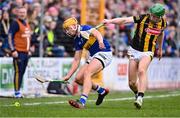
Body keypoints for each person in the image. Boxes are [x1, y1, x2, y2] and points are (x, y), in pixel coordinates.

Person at [103, 3, 167, 109]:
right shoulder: (142, 18)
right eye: (151, 15)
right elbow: (125, 20)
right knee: (132, 83)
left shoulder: (163, 23)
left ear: (160, 17)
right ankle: (137, 93)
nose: (152, 17)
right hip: (134, 50)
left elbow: (161, 33)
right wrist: (109, 21)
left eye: (155, 16)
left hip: (148, 51)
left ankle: (140, 97)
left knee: (142, 70)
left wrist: (159, 48)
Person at [62, 17, 112, 108]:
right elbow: (77, 60)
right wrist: (68, 75)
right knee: (78, 79)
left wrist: (100, 42)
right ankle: (101, 91)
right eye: (66, 30)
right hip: (93, 56)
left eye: (68, 29)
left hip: (104, 52)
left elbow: (97, 33)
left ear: (74, 26)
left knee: (87, 73)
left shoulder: (85, 29)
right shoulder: (77, 40)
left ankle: (82, 101)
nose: (67, 32)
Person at [8, 6, 31, 98]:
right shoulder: (15, 23)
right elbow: (10, 37)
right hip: (18, 52)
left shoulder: (26, 23)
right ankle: (17, 92)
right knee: (18, 71)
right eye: (20, 12)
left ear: (26, 13)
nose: (22, 14)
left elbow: (27, 37)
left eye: (24, 12)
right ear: (17, 13)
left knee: (22, 72)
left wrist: (29, 49)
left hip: (25, 52)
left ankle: (18, 91)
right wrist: (13, 50)